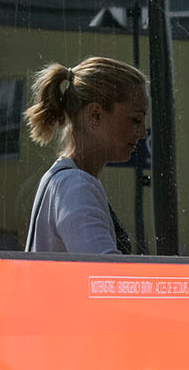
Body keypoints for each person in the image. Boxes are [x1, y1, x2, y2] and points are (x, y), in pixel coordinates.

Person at [23, 56, 147, 255]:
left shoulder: (67, 181)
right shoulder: (75, 187)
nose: (142, 133)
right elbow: (105, 271)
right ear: (95, 114)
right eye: (136, 120)